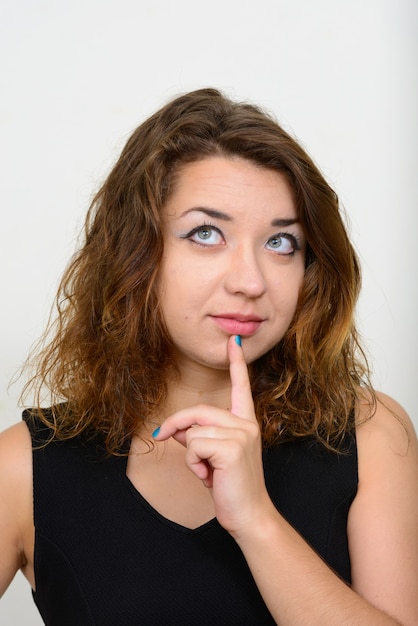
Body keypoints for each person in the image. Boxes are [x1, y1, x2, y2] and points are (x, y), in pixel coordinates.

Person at [0, 88, 417, 625]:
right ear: (136, 251)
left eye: (281, 243)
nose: (250, 281)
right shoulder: (26, 466)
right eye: (206, 233)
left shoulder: (371, 435)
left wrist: (256, 520)